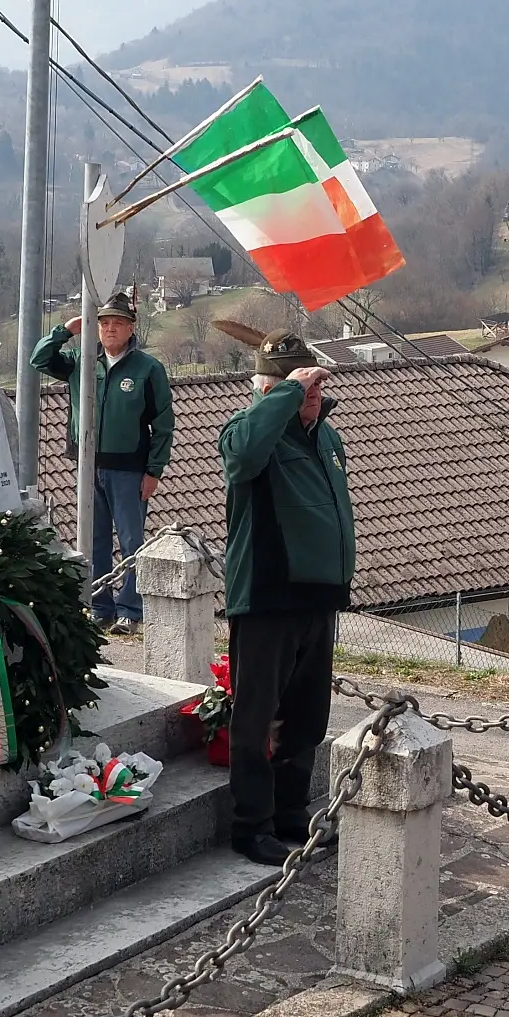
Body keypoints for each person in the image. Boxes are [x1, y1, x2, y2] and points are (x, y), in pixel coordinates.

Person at [217, 328, 354, 867]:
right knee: (256, 718)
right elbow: (241, 457)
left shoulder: (327, 436)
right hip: (267, 597)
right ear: (265, 389)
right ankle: (251, 827)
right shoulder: (249, 432)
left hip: (317, 597)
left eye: (313, 384)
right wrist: (285, 393)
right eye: (292, 385)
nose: (308, 394)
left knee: (307, 717)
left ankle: (292, 814)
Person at [31, 291, 175, 634]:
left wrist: (153, 471)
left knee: (130, 540)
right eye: (104, 322)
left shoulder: (148, 369)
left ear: (130, 328)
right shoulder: (82, 360)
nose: (110, 329)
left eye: (118, 323)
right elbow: (38, 360)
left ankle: (130, 610)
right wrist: (65, 330)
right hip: (88, 464)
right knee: (92, 539)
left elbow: (164, 425)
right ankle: (99, 606)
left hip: (129, 469)